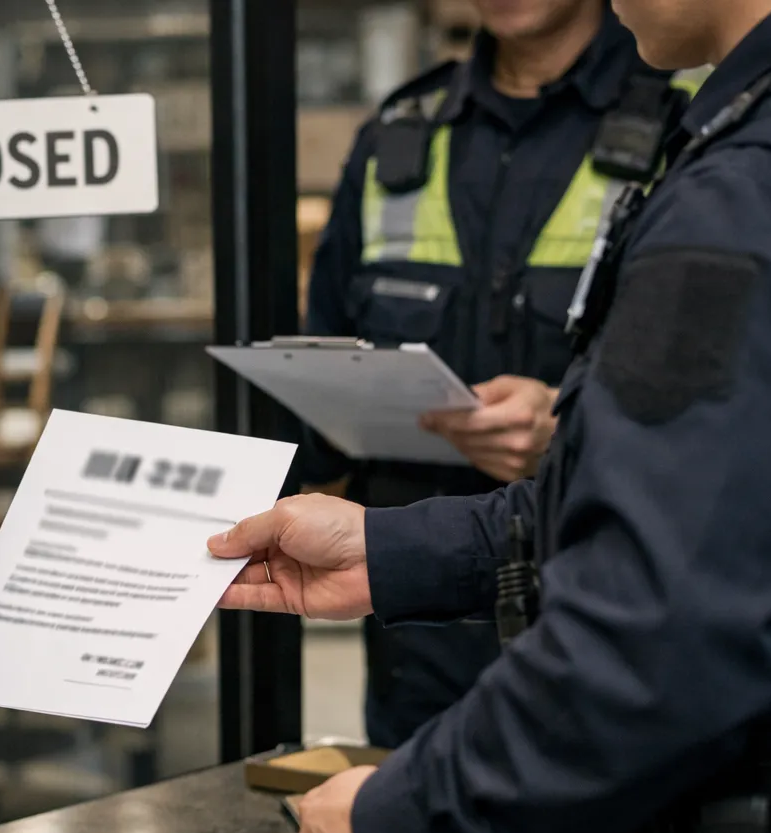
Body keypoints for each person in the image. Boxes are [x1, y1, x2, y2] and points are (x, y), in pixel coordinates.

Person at [213, 0, 771, 833]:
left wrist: (395, 820)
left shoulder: (744, 188)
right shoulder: (745, 148)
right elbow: (732, 499)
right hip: (473, 698)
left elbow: (658, 638)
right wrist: (393, 550)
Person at [301, 0, 705, 749]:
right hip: (416, 632)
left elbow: (728, 401)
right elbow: (323, 358)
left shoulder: (693, 121)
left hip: (599, 618)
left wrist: (575, 428)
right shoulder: (403, 129)